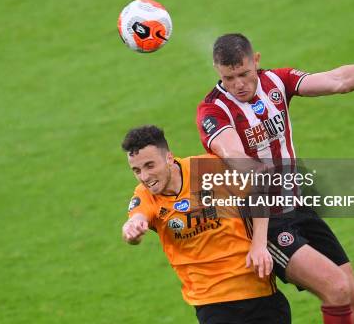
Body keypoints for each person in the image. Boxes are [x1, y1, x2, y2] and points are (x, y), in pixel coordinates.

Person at [196, 33, 354, 324]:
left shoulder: (277, 81)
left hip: (298, 207)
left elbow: (338, 80)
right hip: (264, 224)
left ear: (257, 62)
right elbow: (233, 154)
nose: (238, 84)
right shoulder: (213, 110)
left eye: (244, 74)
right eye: (229, 77)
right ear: (217, 71)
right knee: (336, 288)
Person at [121, 125, 291, 324]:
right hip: (210, 301)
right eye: (136, 170)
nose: (144, 177)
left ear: (169, 157)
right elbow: (137, 218)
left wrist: (259, 244)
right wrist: (131, 228)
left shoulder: (207, 169)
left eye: (150, 166)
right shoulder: (145, 195)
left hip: (257, 287)